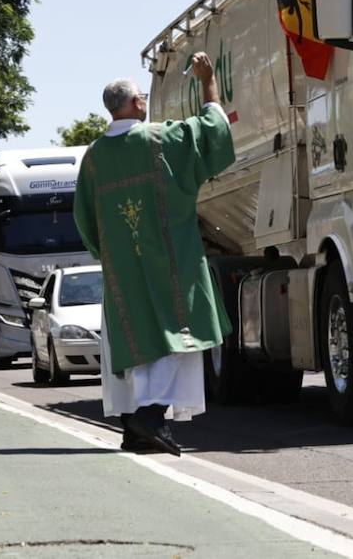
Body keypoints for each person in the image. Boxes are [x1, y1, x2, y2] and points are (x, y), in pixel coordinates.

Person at [73, 52, 235, 456]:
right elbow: (212, 129)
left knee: (138, 342)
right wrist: (207, 81)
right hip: (171, 262)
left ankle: (136, 426)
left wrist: (110, 255)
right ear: (137, 104)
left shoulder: (92, 159)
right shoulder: (160, 139)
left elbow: (84, 218)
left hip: (123, 270)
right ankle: (149, 416)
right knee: (179, 337)